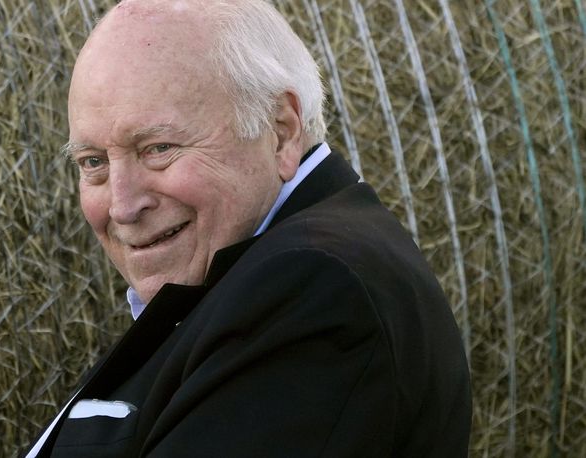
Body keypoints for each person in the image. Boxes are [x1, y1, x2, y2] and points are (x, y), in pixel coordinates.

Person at [25, 0, 471, 456]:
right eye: (93, 163)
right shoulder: (253, 274)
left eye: (158, 148)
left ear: (280, 131)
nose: (122, 206)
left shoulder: (312, 292)